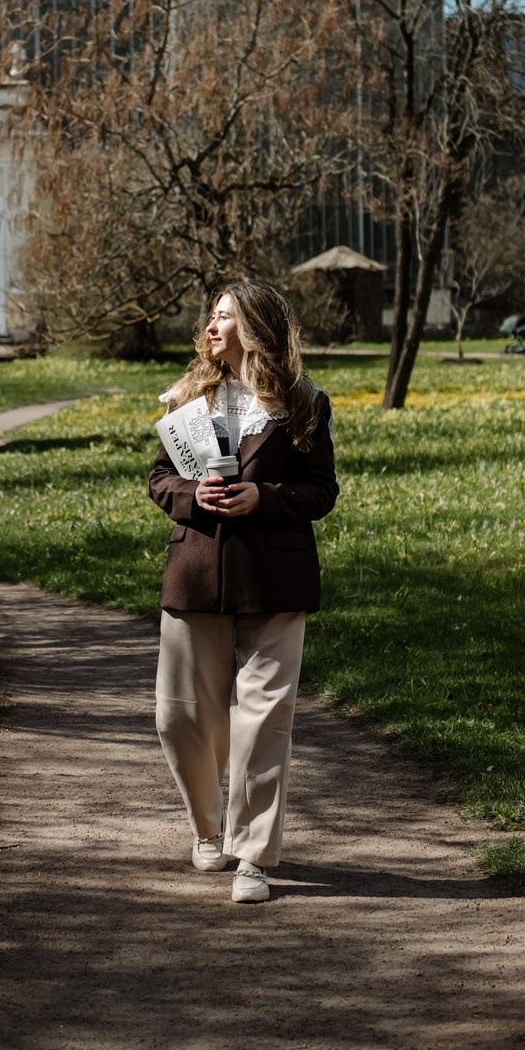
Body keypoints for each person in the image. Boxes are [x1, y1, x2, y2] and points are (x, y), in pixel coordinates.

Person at [148, 281, 339, 903]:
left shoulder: (305, 404)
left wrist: (267, 499)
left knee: (263, 722)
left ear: (253, 328)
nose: (210, 326)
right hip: (195, 573)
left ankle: (253, 858)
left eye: (224, 317)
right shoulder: (185, 398)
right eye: (211, 315)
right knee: (180, 716)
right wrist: (189, 497)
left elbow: (321, 491)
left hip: (275, 579)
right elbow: (158, 478)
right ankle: (208, 831)